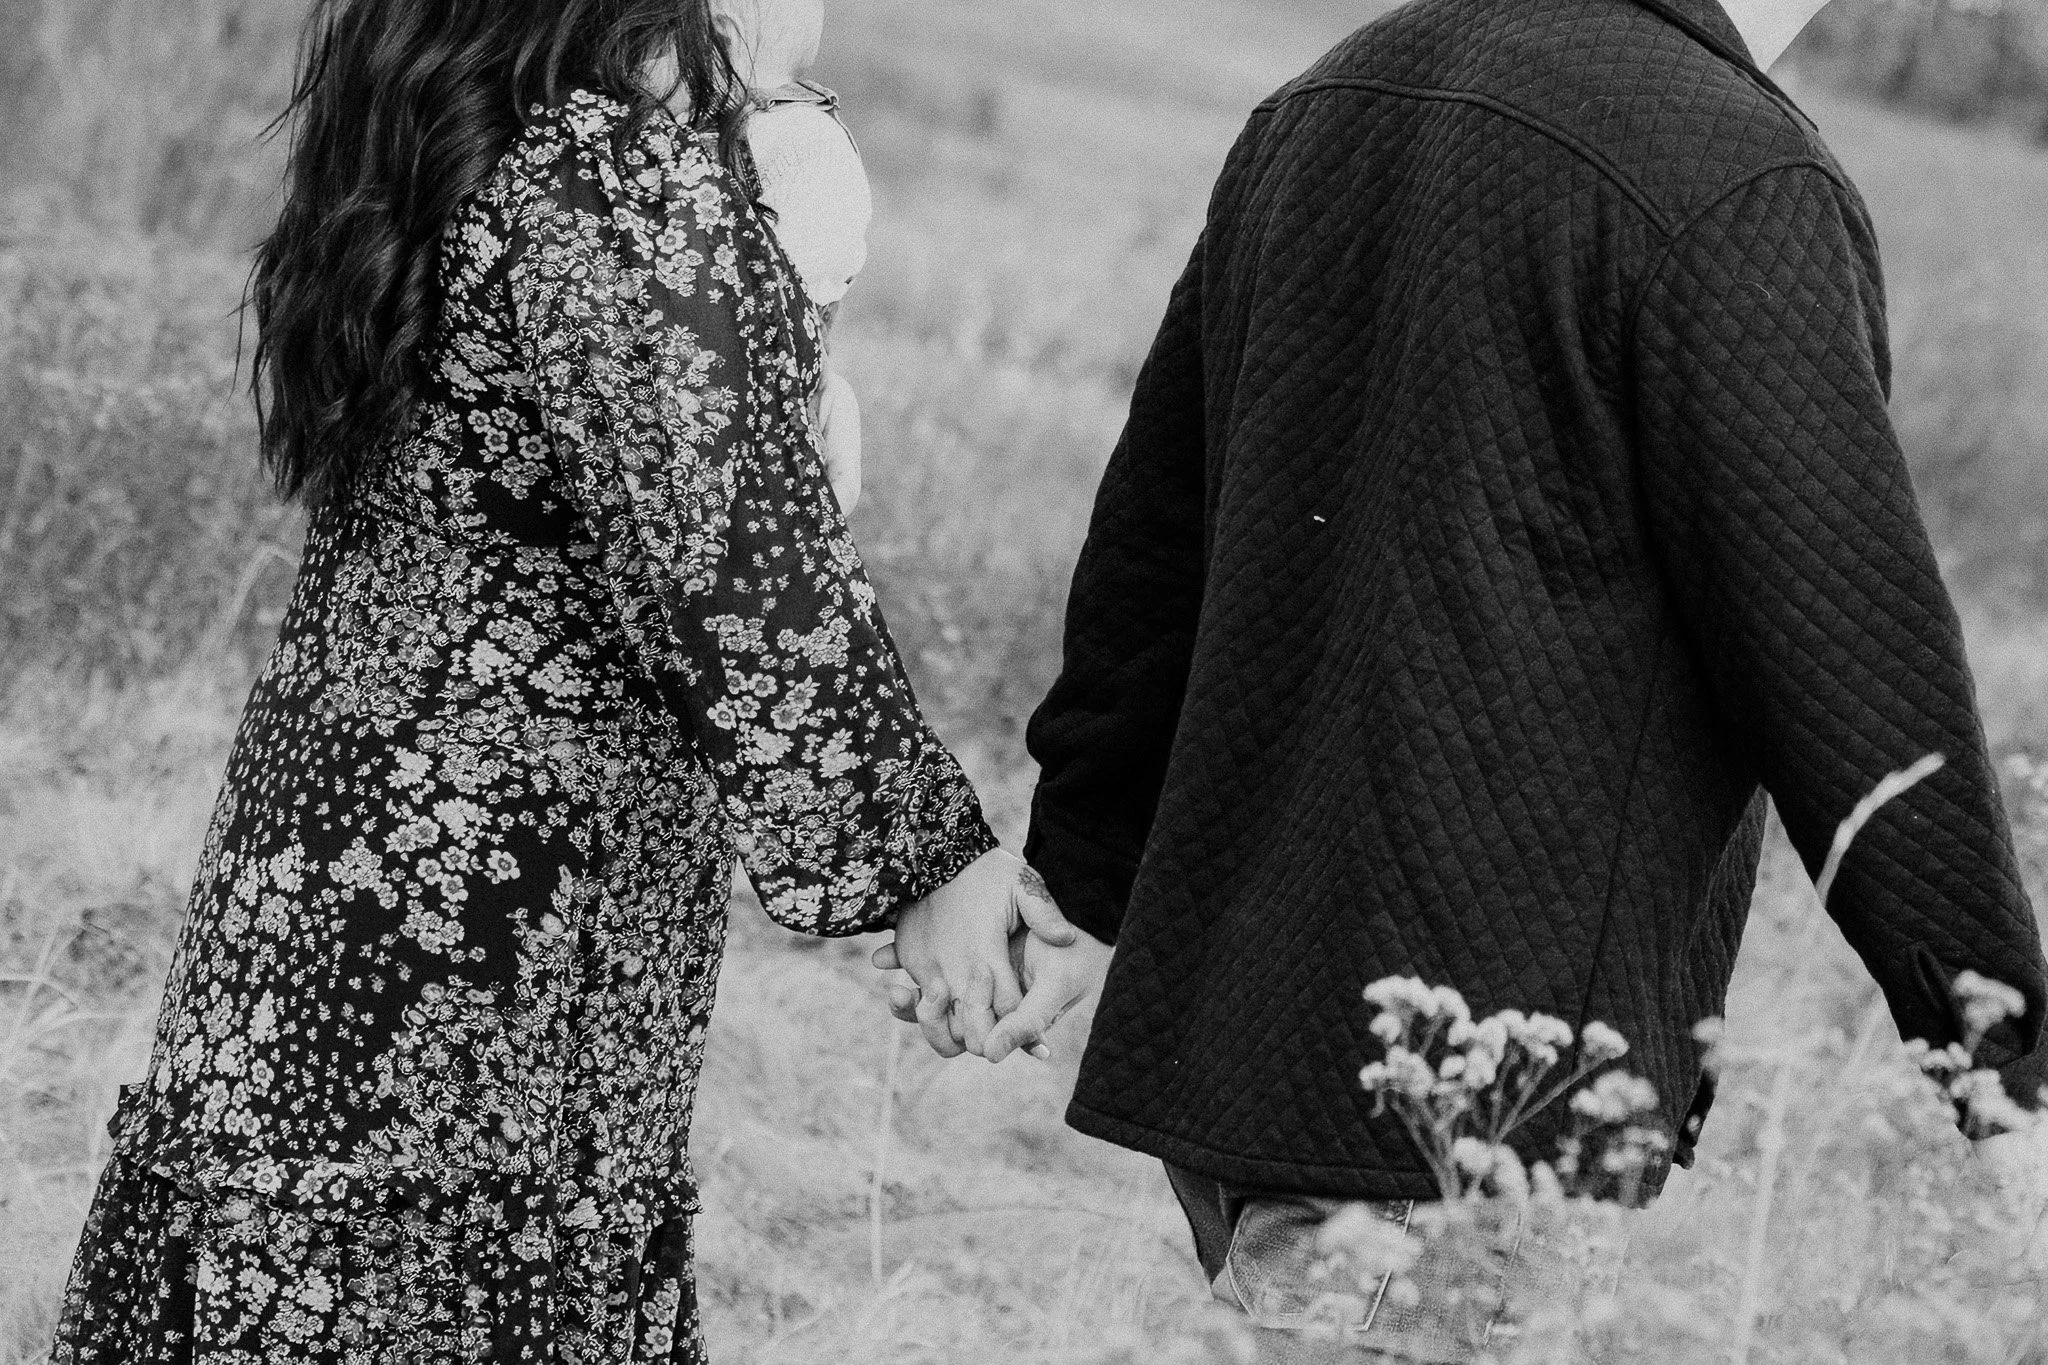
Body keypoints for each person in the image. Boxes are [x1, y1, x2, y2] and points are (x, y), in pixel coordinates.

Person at [882, 0, 2048, 1354]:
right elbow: (1850, 659)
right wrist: (2008, 1063)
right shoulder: (1734, 171)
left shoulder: (1331, 92)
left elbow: (1154, 539)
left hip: (1255, 1055)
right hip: (1467, 1111)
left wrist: (1081, 870)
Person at [47, 1, 1060, 1361]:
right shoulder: (610, 176)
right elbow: (736, 561)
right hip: (499, 927)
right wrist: (931, 865)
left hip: (328, 866)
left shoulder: (465, 126)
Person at [706, 0, 872, 514]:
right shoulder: (792, 128)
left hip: (759, 362)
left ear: (720, 37)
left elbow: (809, 274)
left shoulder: (790, 140)